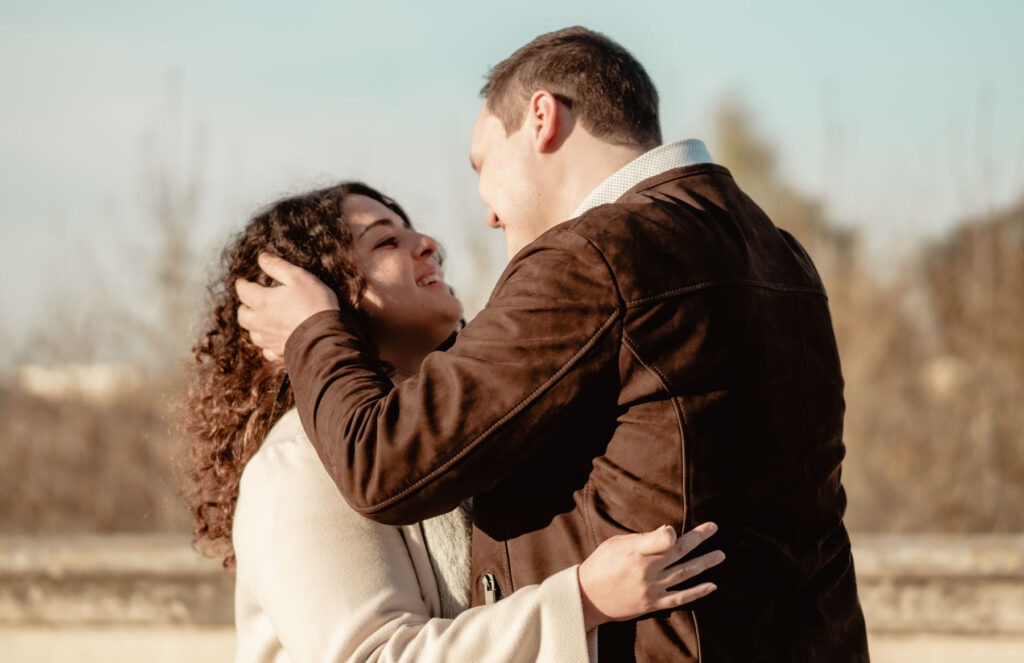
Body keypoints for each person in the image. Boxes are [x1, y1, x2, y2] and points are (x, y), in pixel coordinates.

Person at [237, 27, 870, 661]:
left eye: (483, 165)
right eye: (383, 240)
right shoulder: (779, 252)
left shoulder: (594, 253)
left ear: (542, 119)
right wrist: (582, 596)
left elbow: (385, 465)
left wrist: (309, 331)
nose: (485, 213)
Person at [185, 181, 725, 662]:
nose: (427, 244)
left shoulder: (460, 431)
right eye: (385, 242)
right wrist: (583, 598)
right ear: (323, 299)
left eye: (413, 232)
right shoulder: (294, 466)